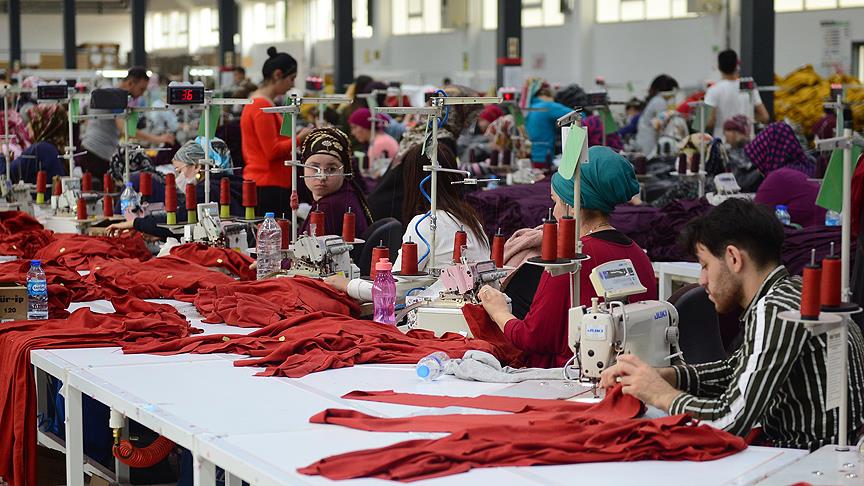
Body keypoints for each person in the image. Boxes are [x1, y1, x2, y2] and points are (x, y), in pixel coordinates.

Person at [599, 199, 864, 450]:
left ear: (734, 258)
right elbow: (738, 369)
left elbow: (729, 421)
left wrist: (662, 395)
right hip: (829, 451)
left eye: (705, 265)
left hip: (804, 460)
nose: (702, 280)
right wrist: (671, 375)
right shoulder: (796, 291)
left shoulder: (774, 310)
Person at [478, 147, 658, 368]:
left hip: (569, 376)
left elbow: (532, 337)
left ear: (572, 206)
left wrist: (498, 312)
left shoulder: (569, 262)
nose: (553, 211)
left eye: (555, 202)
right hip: (629, 372)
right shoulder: (638, 255)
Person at [325, 143, 490, 301]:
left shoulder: (425, 224)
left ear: (412, 179)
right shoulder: (472, 221)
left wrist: (348, 285)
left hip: (443, 315)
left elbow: (395, 290)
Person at [106, 137, 242, 239]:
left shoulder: (205, 191)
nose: (178, 177)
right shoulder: (232, 183)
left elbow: (180, 219)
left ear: (196, 167)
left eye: (179, 170)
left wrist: (135, 223)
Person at [241, 47, 311, 217]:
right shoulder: (261, 106)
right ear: (278, 75)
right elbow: (271, 151)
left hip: (269, 183)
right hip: (268, 184)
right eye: (291, 78)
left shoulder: (264, 103)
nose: (292, 84)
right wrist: (300, 138)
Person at [80, 67, 176, 179]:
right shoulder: (114, 96)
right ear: (130, 83)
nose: (141, 94)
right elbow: (125, 129)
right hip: (96, 154)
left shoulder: (112, 94)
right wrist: (158, 139)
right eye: (141, 89)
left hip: (95, 151)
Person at [298, 127, 372, 237]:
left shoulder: (328, 207)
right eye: (314, 168)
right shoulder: (348, 193)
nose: (322, 176)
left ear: (344, 171)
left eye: (331, 169)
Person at [704, 50, 770, 140]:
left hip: (723, 142)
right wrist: (747, 119)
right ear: (737, 65)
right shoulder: (749, 86)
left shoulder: (713, 90)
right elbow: (765, 116)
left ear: (718, 67)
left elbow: (707, 122)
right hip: (747, 142)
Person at [523, 78, 575, 167]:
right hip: (544, 158)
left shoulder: (528, 108)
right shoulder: (547, 106)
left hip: (528, 158)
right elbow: (578, 116)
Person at [636, 74, 679, 156]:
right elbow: (660, 123)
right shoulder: (659, 101)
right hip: (649, 138)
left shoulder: (655, 100)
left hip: (646, 136)